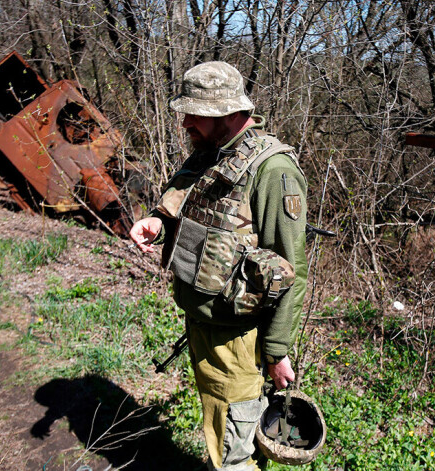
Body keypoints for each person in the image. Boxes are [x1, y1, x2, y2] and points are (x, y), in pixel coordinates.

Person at [130, 61, 308, 471]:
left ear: (227, 112)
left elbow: (293, 270)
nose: (186, 122)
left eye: (195, 113)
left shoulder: (273, 171)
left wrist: (277, 351)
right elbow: (188, 194)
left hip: (238, 340)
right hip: (204, 324)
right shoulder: (212, 153)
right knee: (220, 432)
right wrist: (158, 220)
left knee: (234, 452)